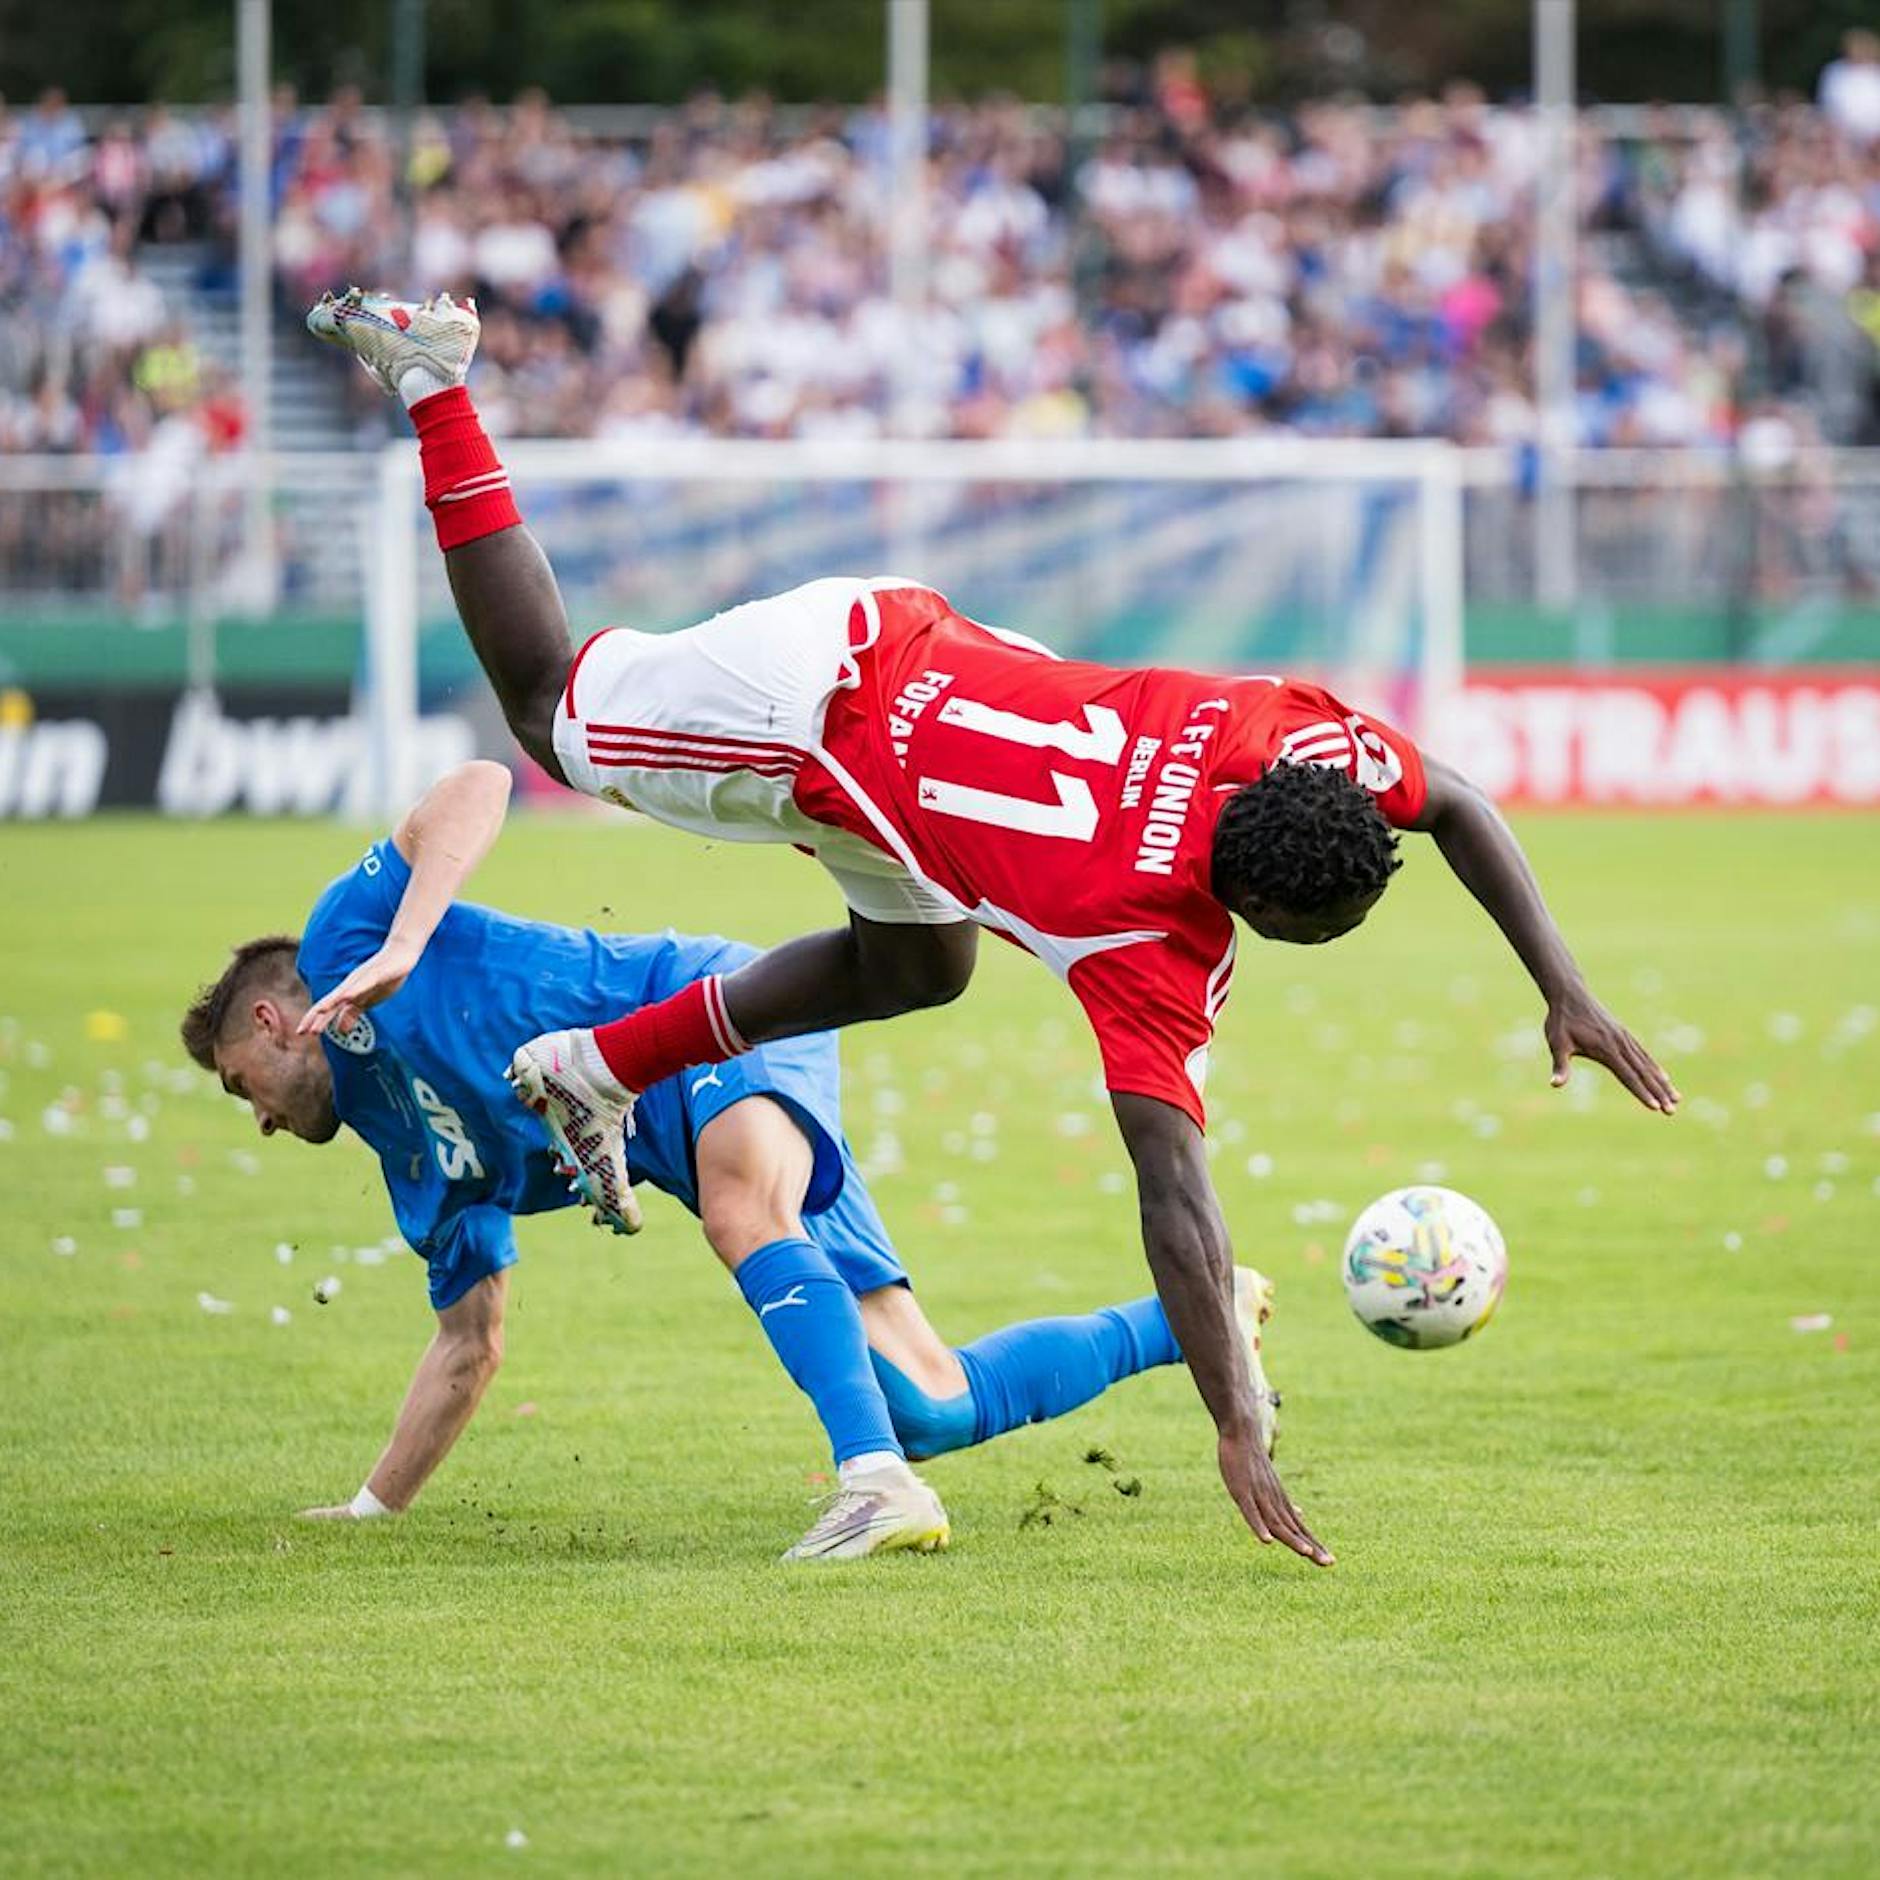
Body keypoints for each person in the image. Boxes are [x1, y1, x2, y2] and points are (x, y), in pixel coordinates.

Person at [310, 288, 1681, 1569]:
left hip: (908, 656)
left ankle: (603, 1064)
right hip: (816, 711)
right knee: (547, 708)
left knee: (920, 962)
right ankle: (438, 382)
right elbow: (1178, 1209)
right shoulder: (1143, 945)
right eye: (1304, 932)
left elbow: (1455, 802)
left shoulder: (1287, 738)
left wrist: (1565, 988)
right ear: (1251, 903)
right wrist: (1232, 1423)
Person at [180, 760, 1281, 1562]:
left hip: (707, 1010)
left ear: (278, 1021)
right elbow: (469, 1344)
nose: (262, 1121)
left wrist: (407, 939)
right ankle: (1196, 1315)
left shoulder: (343, 947)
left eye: (242, 1085)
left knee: (740, 1209)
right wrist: (373, 1510)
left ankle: (869, 1486)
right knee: (931, 1400)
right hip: (692, 1110)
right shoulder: (418, 1166)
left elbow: (472, 782)